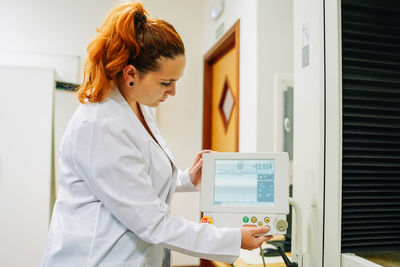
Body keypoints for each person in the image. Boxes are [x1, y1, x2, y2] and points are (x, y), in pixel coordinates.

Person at [40, 2, 271, 267]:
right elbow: (153, 222)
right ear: (131, 74)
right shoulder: (99, 127)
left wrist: (186, 179)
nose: (172, 92)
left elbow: (134, 182)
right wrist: (233, 239)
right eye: (166, 82)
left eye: (176, 81)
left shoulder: (138, 107)